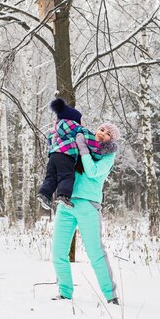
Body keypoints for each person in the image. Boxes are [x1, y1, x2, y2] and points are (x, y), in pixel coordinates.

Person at [51, 122, 121, 305]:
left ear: (111, 140)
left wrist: (83, 149)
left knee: (95, 252)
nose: (102, 134)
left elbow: (92, 171)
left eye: (107, 133)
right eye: (101, 130)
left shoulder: (108, 156)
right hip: (66, 204)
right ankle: (65, 292)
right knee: (58, 252)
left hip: (88, 206)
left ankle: (111, 296)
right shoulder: (81, 144)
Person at [37, 98, 101, 209]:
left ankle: (44, 194)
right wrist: (98, 152)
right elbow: (91, 140)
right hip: (66, 155)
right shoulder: (78, 128)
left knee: (51, 176)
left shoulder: (56, 129)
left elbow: (50, 139)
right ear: (75, 119)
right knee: (66, 175)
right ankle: (64, 196)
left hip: (53, 155)